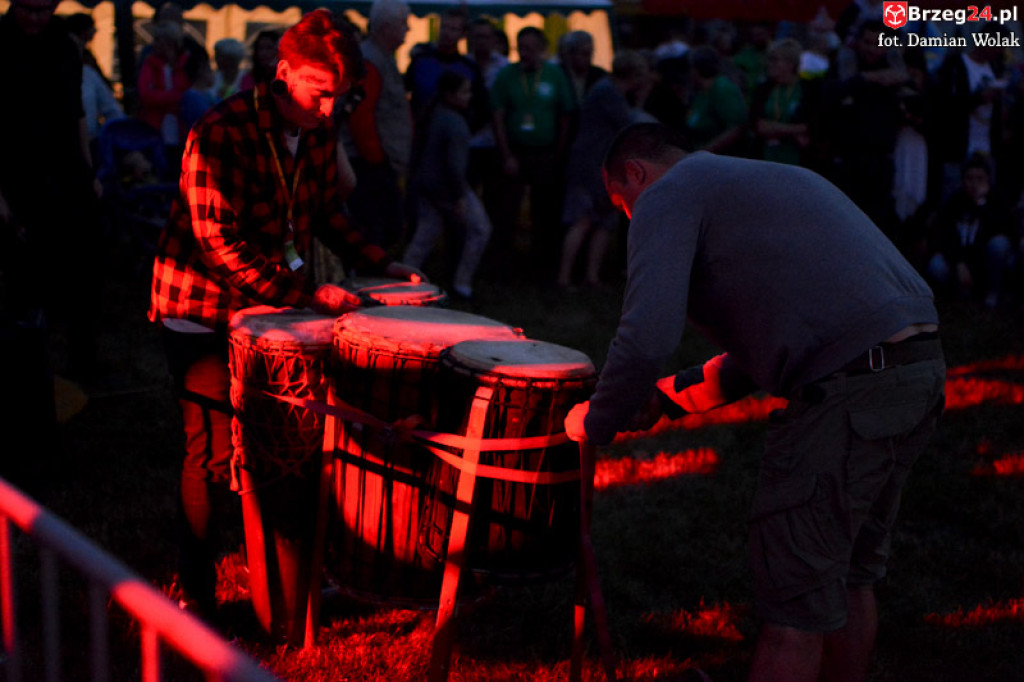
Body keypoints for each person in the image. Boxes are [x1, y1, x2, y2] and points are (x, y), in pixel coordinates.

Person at [565, 122, 945, 682]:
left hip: (848, 394)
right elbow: (767, 350)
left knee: (795, 605)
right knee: (848, 574)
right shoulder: (763, 179)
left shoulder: (668, 193)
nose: (630, 220)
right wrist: (668, 400)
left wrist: (599, 418)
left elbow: (647, 335)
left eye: (623, 206)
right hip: (915, 371)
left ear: (635, 175)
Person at [149, 8, 423, 620]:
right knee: (213, 451)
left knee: (287, 445)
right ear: (284, 73)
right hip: (200, 308)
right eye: (319, 94)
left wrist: (387, 264)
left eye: (342, 98)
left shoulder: (319, 131)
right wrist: (306, 296)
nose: (329, 111)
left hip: (271, 307)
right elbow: (217, 241)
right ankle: (197, 597)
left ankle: (284, 580)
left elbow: (325, 214)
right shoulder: (220, 131)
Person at [0, 0, 105, 385]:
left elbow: (76, 112)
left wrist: (87, 170)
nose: (35, 18)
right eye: (28, 9)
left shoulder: (64, 44)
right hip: (16, 173)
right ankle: (23, 374)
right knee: (23, 278)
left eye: (44, 9)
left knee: (83, 270)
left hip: (66, 170)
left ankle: (83, 362)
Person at [557, 50, 650, 290]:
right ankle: (565, 278)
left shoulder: (607, 90)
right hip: (592, 166)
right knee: (584, 219)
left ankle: (590, 276)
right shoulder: (608, 94)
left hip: (601, 165)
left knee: (602, 222)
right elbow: (630, 125)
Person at [489, 26, 576, 282]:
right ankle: (503, 267)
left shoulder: (554, 74)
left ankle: (542, 265)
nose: (524, 53)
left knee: (545, 210)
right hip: (517, 150)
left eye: (529, 48)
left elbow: (565, 115)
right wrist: (506, 155)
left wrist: (559, 153)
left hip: (545, 153)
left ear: (541, 49)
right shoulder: (507, 75)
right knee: (507, 209)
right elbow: (498, 116)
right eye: (521, 47)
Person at [403, 71, 492, 300]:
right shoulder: (454, 123)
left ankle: (401, 280)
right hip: (446, 189)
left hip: (427, 186)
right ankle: (462, 284)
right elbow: (455, 164)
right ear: (449, 94)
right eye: (464, 91)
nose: (468, 96)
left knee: (425, 234)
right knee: (480, 229)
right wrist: (459, 196)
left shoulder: (433, 116)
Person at [340, 0, 413, 251]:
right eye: (404, 23)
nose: (408, 29)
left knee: (384, 229)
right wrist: (377, 160)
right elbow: (361, 116)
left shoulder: (381, 58)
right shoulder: (370, 61)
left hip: (375, 163)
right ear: (388, 26)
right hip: (368, 165)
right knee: (376, 230)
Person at [926, 154, 1014, 308]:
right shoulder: (954, 203)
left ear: (988, 180)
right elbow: (943, 235)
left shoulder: (997, 201)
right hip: (961, 263)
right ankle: (957, 295)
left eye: (980, 179)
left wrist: (981, 206)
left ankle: (992, 295)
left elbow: (1005, 232)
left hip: (986, 263)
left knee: (999, 245)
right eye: (970, 178)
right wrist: (958, 263)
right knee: (936, 265)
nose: (974, 184)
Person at [684, 45, 748, 156]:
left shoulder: (722, 89)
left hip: (721, 159)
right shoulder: (701, 93)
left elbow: (736, 128)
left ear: (696, 70)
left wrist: (706, 150)